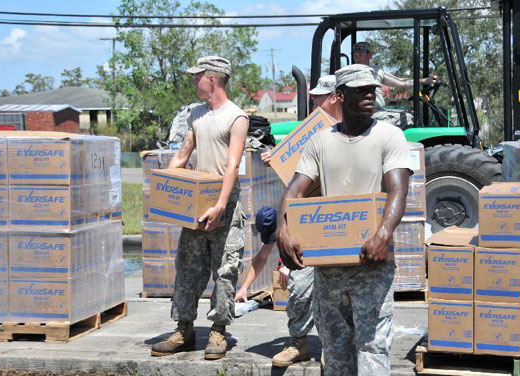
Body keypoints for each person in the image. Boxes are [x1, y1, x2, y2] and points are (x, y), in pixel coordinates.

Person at [275, 64, 412, 375]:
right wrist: (284, 229)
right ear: (339, 96)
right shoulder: (320, 142)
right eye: (360, 90)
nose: (369, 94)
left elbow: (398, 191)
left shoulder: (390, 136)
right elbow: (294, 189)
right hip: (330, 270)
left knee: (373, 347)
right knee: (335, 351)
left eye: (372, 89)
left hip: (371, 265)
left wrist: (383, 234)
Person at [150, 56, 249, 360]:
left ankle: (218, 331)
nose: (193, 82)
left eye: (197, 77)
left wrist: (220, 205)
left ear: (213, 79)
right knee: (188, 269)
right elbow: (182, 154)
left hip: (224, 206)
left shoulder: (236, 117)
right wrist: (166, 188)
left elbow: (232, 165)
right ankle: (184, 330)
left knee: (224, 270)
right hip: (196, 205)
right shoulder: (196, 114)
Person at [253, 75, 342, 368]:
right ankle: (299, 344)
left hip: (339, 220)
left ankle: (333, 345)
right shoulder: (310, 134)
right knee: (301, 287)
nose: (314, 100)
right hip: (307, 219)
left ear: (336, 97)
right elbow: (294, 170)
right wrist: (277, 157)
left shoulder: (350, 133)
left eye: (320, 96)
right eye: (314, 95)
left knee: (339, 292)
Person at [352, 41, 437, 111]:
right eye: (355, 55)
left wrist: (424, 81)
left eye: (360, 54)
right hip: (367, 114)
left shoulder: (377, 71)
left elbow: (402, 83)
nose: (357, 58)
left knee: (406, 115)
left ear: (369, 54)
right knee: (409, 119)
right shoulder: (351, 72)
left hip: (378, 112)